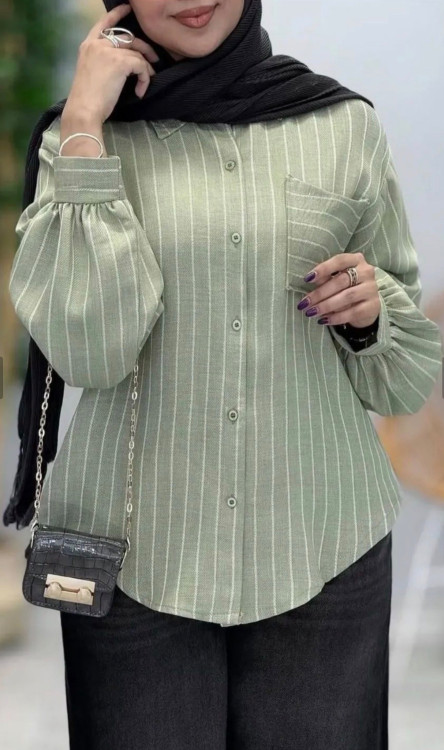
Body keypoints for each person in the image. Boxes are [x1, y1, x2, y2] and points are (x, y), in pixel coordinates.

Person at [7, 1, 442, 748]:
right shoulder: (84, 138)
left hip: (323, 546)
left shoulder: (342, 125)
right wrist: (81, 124)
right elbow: (90, 352)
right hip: (137, 561)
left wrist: (371, 315)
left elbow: (402, 383)